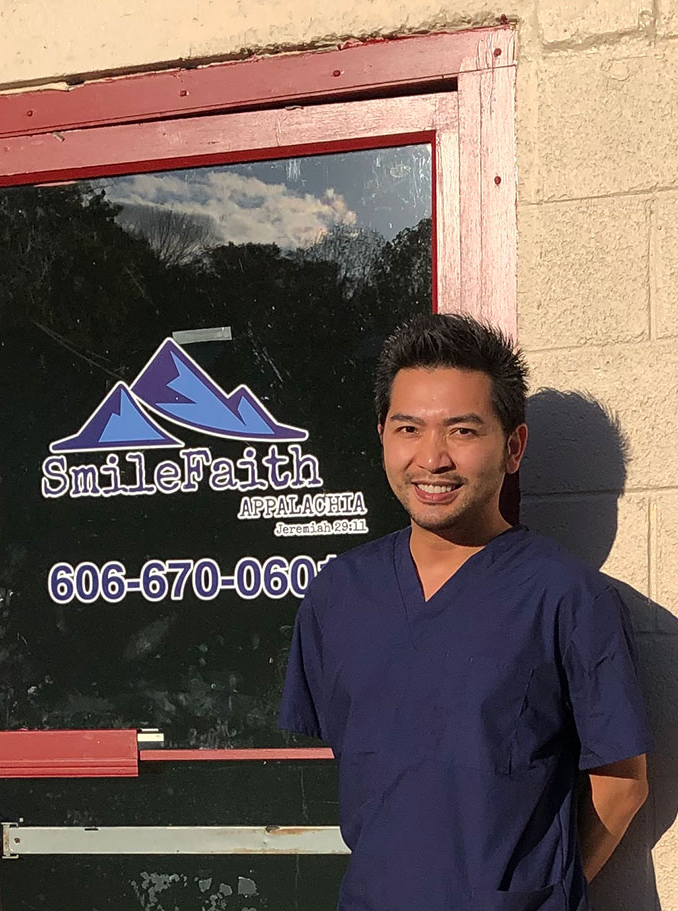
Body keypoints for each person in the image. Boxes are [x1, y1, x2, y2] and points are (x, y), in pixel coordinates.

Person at [279, 313, 653, 911]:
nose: (432, 458)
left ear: (513, 447)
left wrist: (541, 893)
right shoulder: (338, 595)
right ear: (382, 436)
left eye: (462, 431)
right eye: (408, 429)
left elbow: (621, 785)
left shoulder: (568, 597)